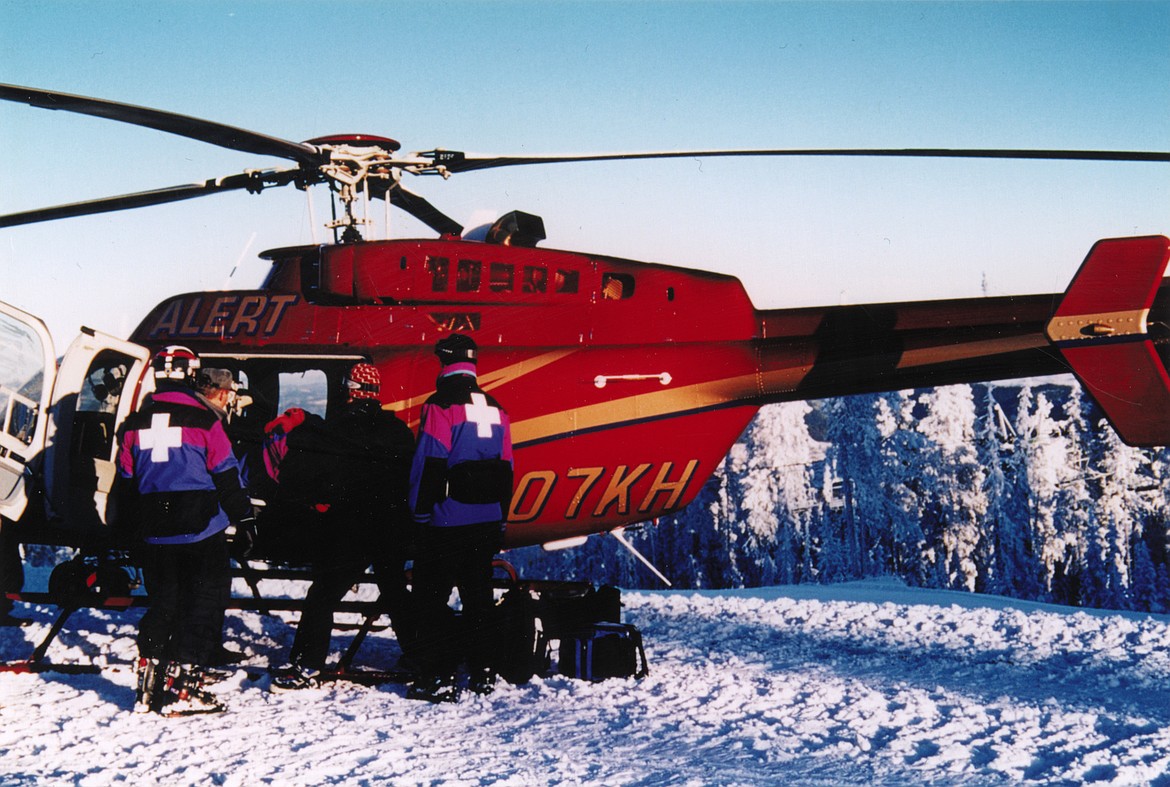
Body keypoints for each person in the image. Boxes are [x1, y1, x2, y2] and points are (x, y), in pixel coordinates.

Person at [117, 346, 255, 715]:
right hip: (200, 529)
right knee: (203, 601)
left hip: (154, 529)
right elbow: (226, 476)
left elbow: (126, 480)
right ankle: (184, 684)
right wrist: (245, 520)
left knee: (164, 603)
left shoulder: (132, 425)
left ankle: (147, 680)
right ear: (192, 376)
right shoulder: (205, 422)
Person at [271, 362, 417, 690]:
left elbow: (321, 481)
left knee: (322, 595)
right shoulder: (399, 431)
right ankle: (419, 655)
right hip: (391, 527)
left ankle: (307, 665)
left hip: (351, 529)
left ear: (350, 390)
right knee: (394, 591)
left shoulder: (336, 429)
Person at [406, 334, 513, 703]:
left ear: (444, 362)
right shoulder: (497, 407)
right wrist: (500, 519)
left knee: (432, 598)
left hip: (448, 519)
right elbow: (507, 467)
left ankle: (437, 674)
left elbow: (430, 462)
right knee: (478, 595)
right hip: (487, 519)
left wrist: (419, 513)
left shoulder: (440, 405)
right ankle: (484, 670)